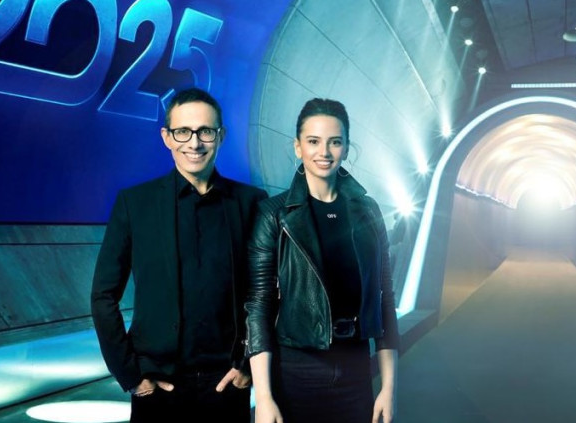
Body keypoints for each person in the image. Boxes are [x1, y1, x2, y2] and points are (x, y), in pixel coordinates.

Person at [91, 88, 267, 423]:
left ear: (221, 136)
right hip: (158, 387)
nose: (194, 143)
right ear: (167, 137)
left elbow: (268, 290)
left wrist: (249, 364)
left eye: (205, 131)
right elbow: (103, 295)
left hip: (227, 384)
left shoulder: (252, 203)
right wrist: (129, 373)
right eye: (183, 131)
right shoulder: (135, 204)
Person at [245, 98, 400, 423]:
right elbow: (258, 304)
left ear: (346, 148)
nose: (324, 152)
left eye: (335, 142)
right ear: (298, 147)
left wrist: (388, 387)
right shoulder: (274, 215)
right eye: (313, 141)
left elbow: (384, 296)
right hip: (296, 372)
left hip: (356, 369)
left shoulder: (368, 211)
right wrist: (264, 397)